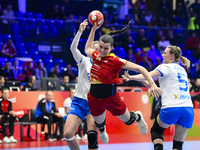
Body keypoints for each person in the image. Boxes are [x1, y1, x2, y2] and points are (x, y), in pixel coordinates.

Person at [84, 20, 160, 144]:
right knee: (98, 123)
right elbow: (87, 48)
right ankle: (102, 130)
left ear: (111, 48)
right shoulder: (96, 55)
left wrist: (151, 83)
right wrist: (93, 29)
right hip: (94, 98)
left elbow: (140, 68)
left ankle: (138, 117)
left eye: (106, 48)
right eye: (101, 47)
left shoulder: (116, 60)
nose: (103, 50)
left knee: (128, 120)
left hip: (111, 98)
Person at [122, 45, 194, 150]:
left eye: (165, 53)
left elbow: (148, 75)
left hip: (172, 108)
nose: (162, 55)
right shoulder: (182, 70)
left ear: (172, 56)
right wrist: (144, 82)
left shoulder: (164, 67)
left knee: (156, 131)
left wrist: (131, 77)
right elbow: (163, 89)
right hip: (188, 110)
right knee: (178, 143)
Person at [64, 19, 99, 150]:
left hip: (94, 103)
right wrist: (80, 32)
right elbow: (73, 48)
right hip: (79, 101)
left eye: (98, 50)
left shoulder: (104, 65)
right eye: (94, 49)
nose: (96, 52)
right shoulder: (83, 61)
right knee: (68, 134)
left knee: (92, 139)